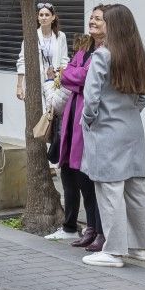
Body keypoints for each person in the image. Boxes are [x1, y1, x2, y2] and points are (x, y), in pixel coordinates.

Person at [79, 4, 145, 268]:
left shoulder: (102, 55)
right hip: (132, 129)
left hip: (106, 130)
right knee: (136, 189)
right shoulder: (137, 53)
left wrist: (91, 120)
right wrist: (127, 112)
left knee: (110, 190)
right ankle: (143, 247)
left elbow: (91, 99)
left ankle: (113, 252)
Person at [48, 13, 102, 246]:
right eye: (91, 18)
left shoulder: (107, 51)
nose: (92, 22)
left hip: (87, 119)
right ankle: (75, 226)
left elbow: (82, 76)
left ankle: (95, 229)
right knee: (69, 173)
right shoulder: (85, 47)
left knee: (87, 178)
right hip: (70, 117)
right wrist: (72, 76)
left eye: (98, 19)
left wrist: (72, 76)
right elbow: (70, 74)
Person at [16, 1, 70, 105]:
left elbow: (64, 60)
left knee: (53, 113)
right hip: (35, 80)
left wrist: (62, 78)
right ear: (38, 17)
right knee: (38, 112)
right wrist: (19, 86)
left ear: (53, 17)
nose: (44, 17)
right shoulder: (31, 35)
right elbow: (22, 60)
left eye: (47, 15)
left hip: (55, 81)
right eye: (41, 15)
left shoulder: (61, 36)